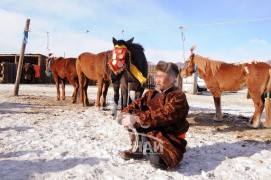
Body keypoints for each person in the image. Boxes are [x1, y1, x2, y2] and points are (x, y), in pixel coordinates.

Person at [118, 60, 189, 170]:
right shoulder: (151, 93)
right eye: (157, 76)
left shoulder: (178, 96)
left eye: (161, 76)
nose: (157, 79)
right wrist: (125, 113)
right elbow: (136, 104)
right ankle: (137, 149)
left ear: (171, 79)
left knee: (157, 162)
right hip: (153, 132)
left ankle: (151, 148)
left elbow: (163, 116)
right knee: (131, 113)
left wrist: (136, 119)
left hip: (170, 138)